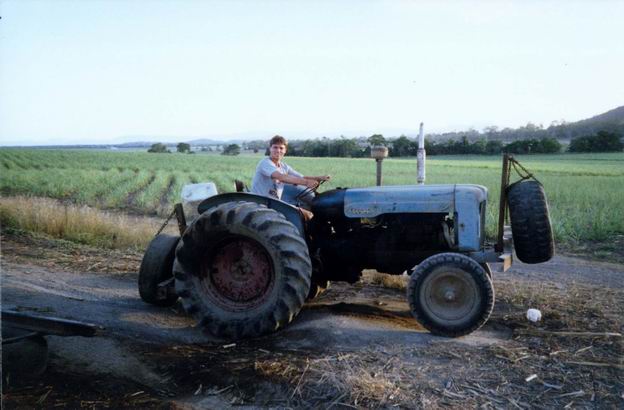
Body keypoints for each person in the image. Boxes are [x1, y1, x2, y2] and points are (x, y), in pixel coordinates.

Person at [251, 135, 330, 217]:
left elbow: (301, 177)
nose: (278, 150)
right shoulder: (265, 163)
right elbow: (281, 177)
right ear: (270, 148)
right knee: (305, 215)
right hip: (261, 203)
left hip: (274, 203)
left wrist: (319, 178)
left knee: (308, 213)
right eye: (275, 147)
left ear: (285, 150)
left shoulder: (284, 166)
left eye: (281, 148)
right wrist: (306, 183)